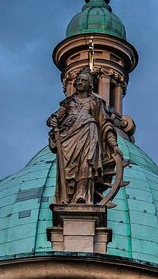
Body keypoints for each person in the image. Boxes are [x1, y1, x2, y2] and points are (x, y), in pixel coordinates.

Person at [47, 66, 123, 204]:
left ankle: (82, 195)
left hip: (89, 134)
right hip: (68, 137)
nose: (79, 82)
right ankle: (67, 196)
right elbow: (56, 116)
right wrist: (52, 120)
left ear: (90, 85)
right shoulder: (69, 102)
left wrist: (114, 144)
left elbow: (105, 125)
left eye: (83, 80)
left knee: (86, 164)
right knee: (69, 168)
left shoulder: (96, 102)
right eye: (78, 80)